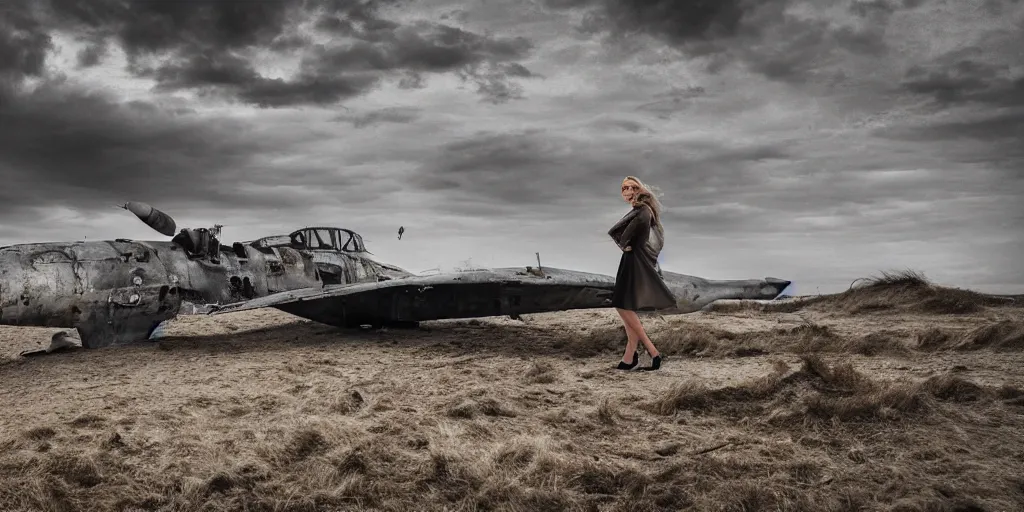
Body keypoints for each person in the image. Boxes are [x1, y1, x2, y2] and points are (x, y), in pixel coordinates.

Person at [607, 176, 676, 371]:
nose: (627, 191)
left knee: (622, 306)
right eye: (624, 188)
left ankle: (653, 352)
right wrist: (627, 246)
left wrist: (627, 246)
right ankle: (630, 355)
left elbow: (625, 234)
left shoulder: (643, 211)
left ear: (639, 189)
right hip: (632, 261)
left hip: (634, 262)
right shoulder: (642, 210)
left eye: (632, 187)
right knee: (624, 306)